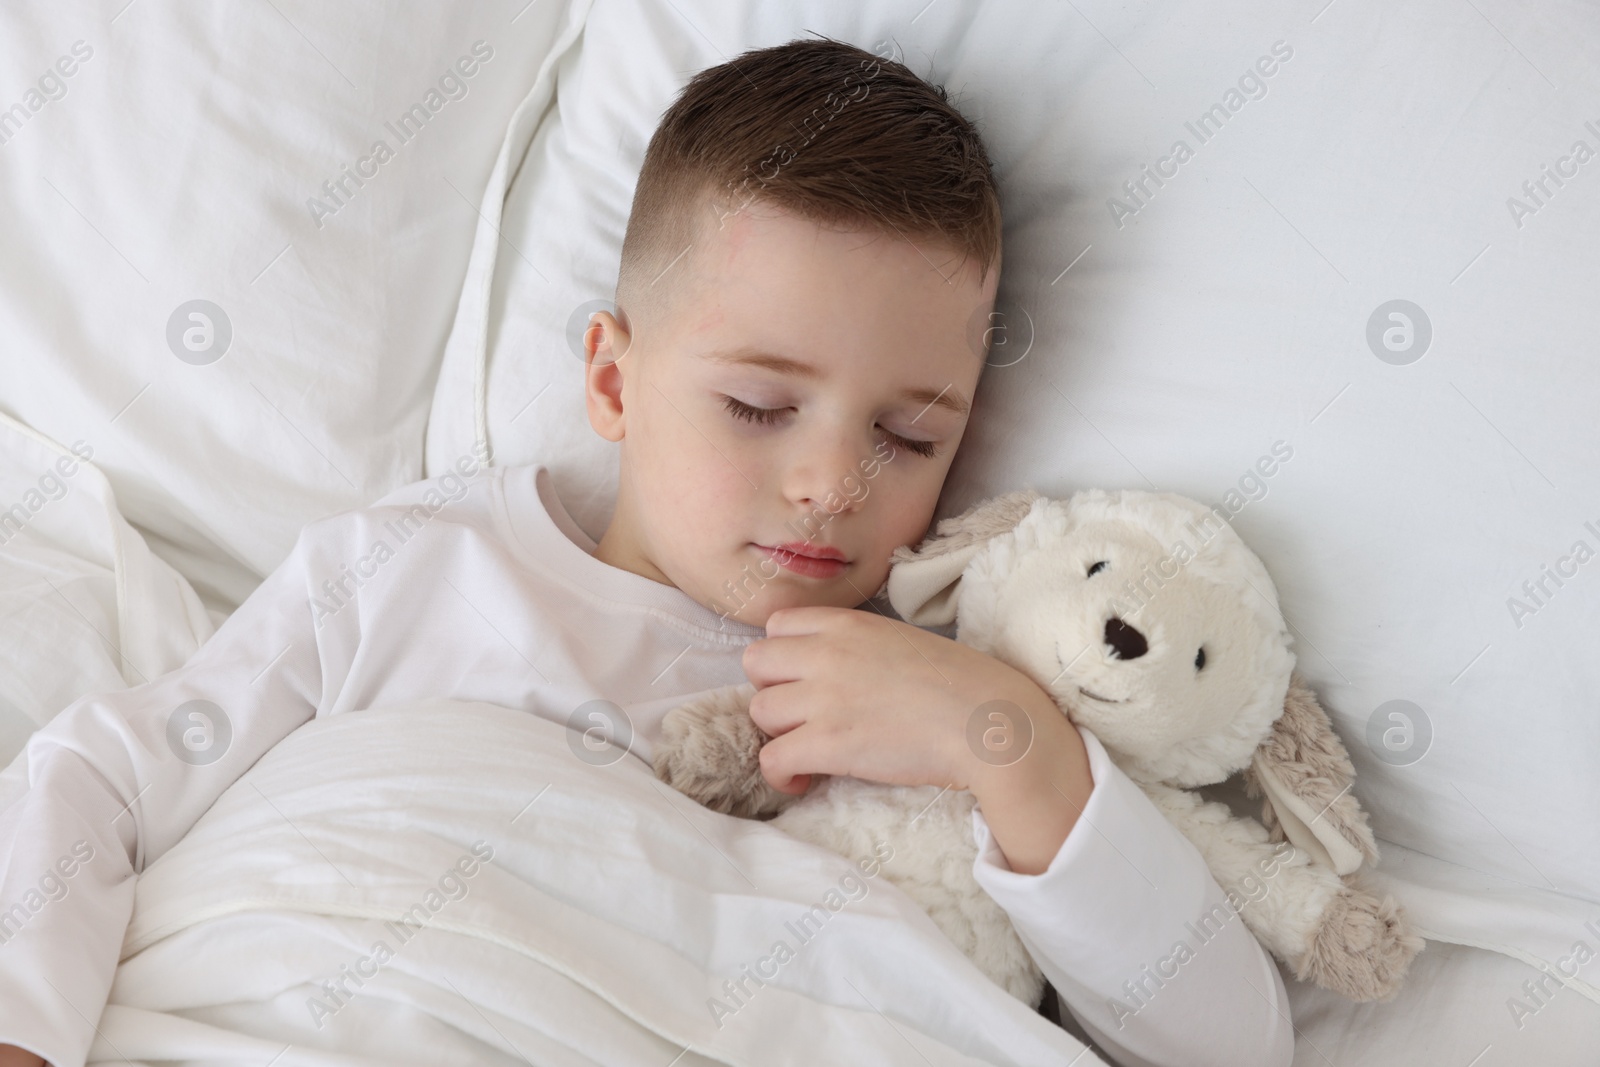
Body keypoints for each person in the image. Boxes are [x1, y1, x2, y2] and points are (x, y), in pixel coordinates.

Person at [0, 38, 1293, 1067]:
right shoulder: (416, 569)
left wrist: (1003, 738)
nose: (829, 483)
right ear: (614, 382)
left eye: (907, 435)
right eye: (757, 406)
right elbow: (103, 784)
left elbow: (1232, 1045)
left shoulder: (945, 697)